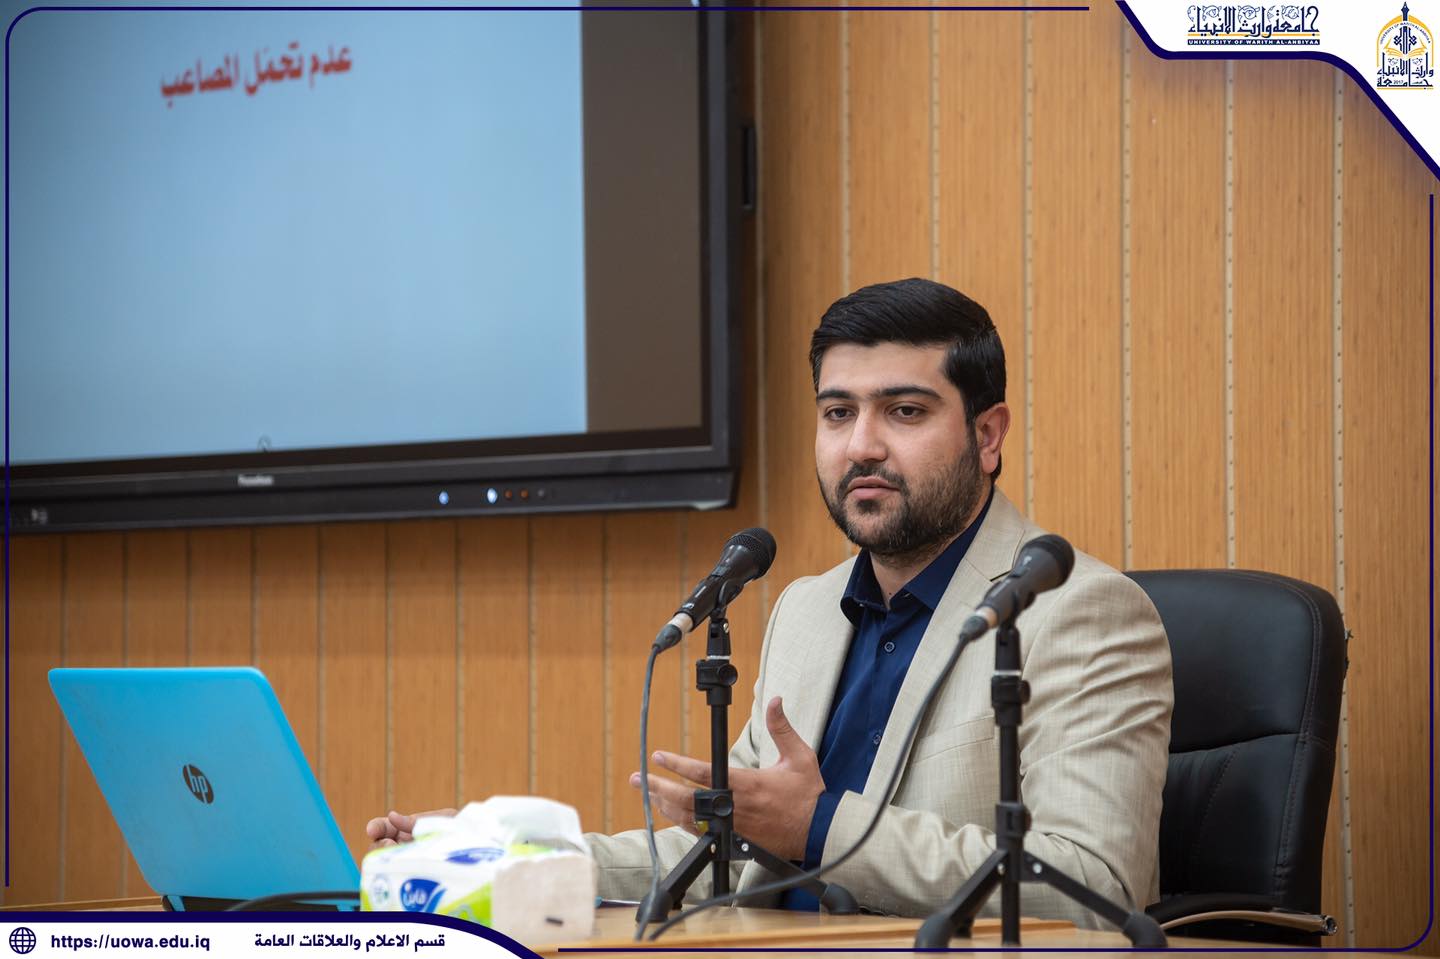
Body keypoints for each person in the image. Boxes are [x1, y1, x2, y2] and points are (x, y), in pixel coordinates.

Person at [368, 278, 1173, 927]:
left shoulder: (1079, 613)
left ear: (987, 435)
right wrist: (496, 858)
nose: (861, 445)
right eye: (838, 413)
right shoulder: (806, 612)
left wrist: (818, 825)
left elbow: (1094, 883)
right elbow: (723, 852)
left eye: (904, 411)